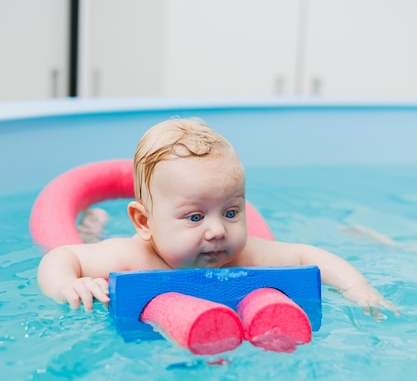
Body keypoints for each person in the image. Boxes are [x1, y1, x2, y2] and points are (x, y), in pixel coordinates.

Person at [37, 117, 398, 321]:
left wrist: (356, 287)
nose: (217, 231)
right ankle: (93, 224)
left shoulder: (244, 254)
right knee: (88, 238)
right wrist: (66, 285)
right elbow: (61, 257)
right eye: (195, 217)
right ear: (144, 223)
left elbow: (308, 255)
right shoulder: (130, 258)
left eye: (230, 212)